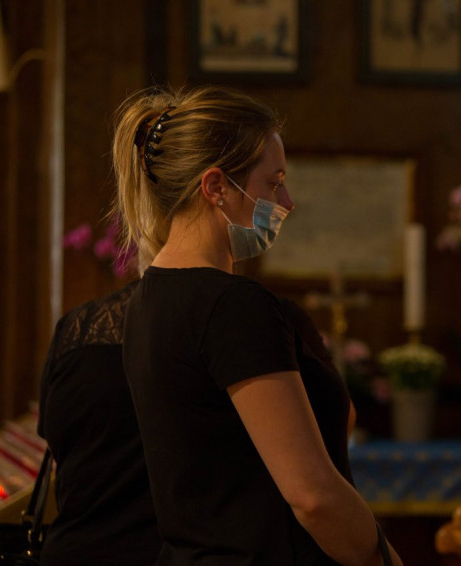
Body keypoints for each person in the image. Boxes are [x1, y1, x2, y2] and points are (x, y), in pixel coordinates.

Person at [113, 85, 401, 566]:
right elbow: (313, 495)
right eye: (274, 182)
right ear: (216, 187)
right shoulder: (232, 306)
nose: (287, 201)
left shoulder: (145, 299)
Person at [37, 278, 162, 566]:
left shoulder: (76, 328)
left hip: (72, 550)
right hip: (156, 553)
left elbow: (50, 436)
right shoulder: (208, 332)